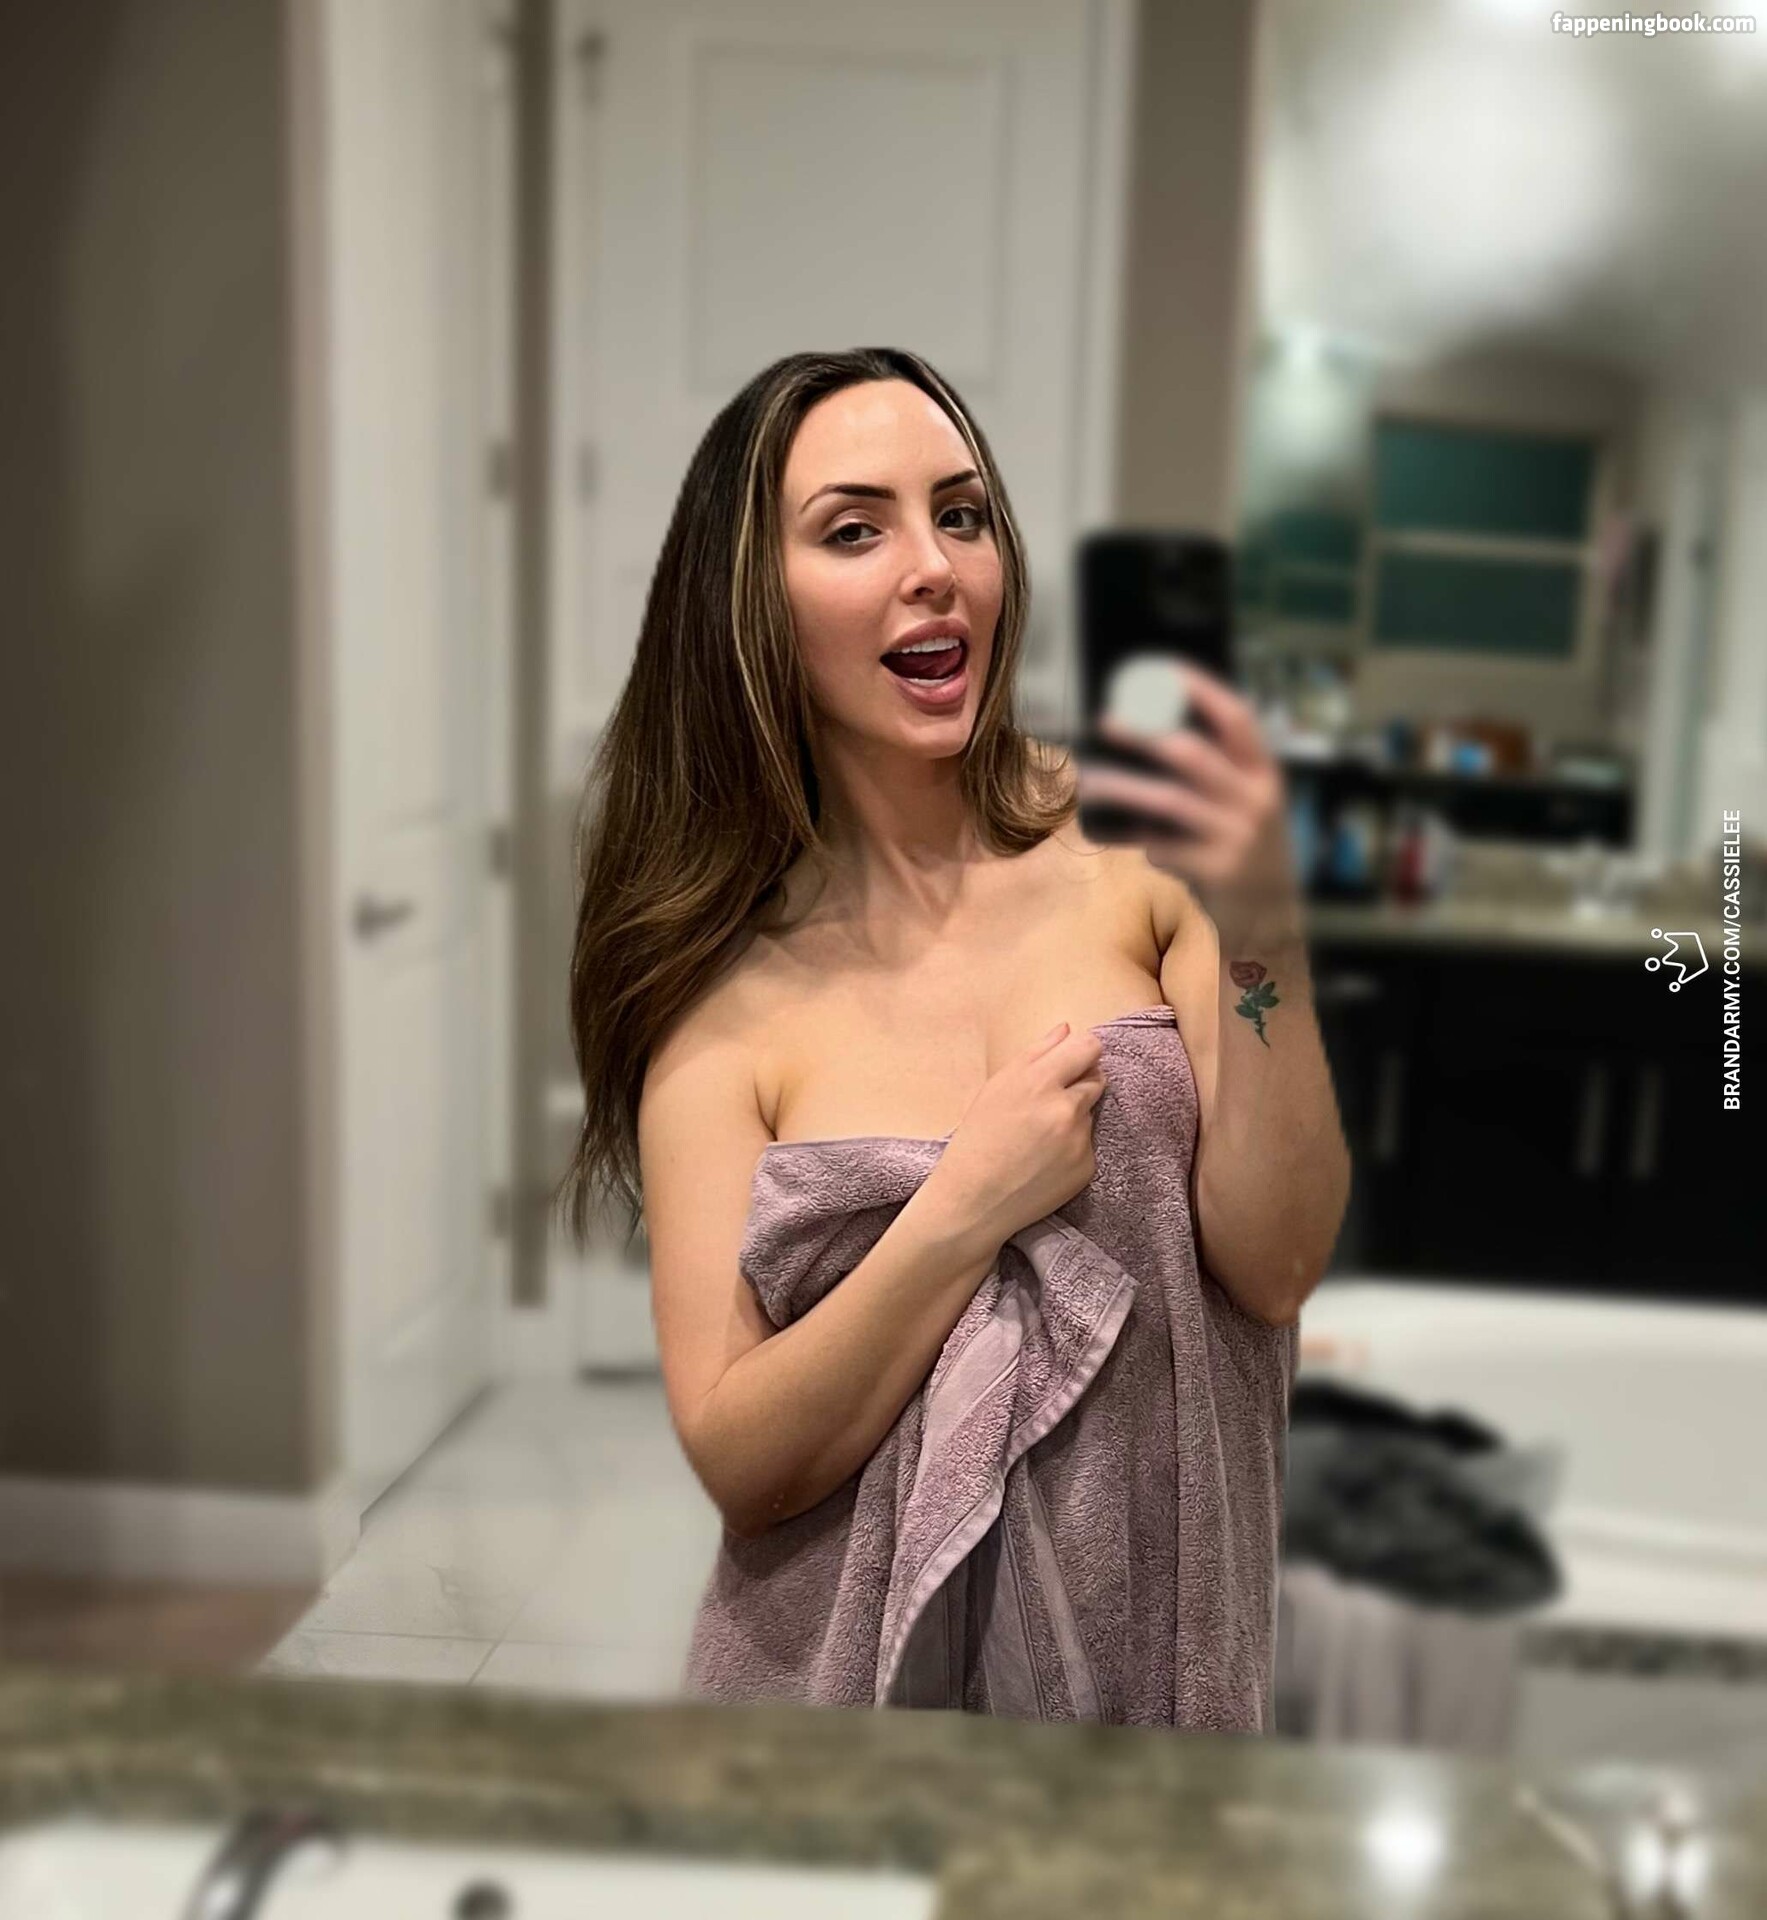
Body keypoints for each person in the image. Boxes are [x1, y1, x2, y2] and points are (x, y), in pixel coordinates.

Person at [557, 346, 1350, 1726]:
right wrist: (965, 1207)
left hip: (1148, 1695)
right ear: (749, 606)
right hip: (843, 1722)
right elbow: (742, 1458)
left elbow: (1276, 1264)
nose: (935, 566)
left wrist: (1267, 927)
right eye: (854, 531)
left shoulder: (1140, 852)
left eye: (963, 514)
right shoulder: (719, 996)